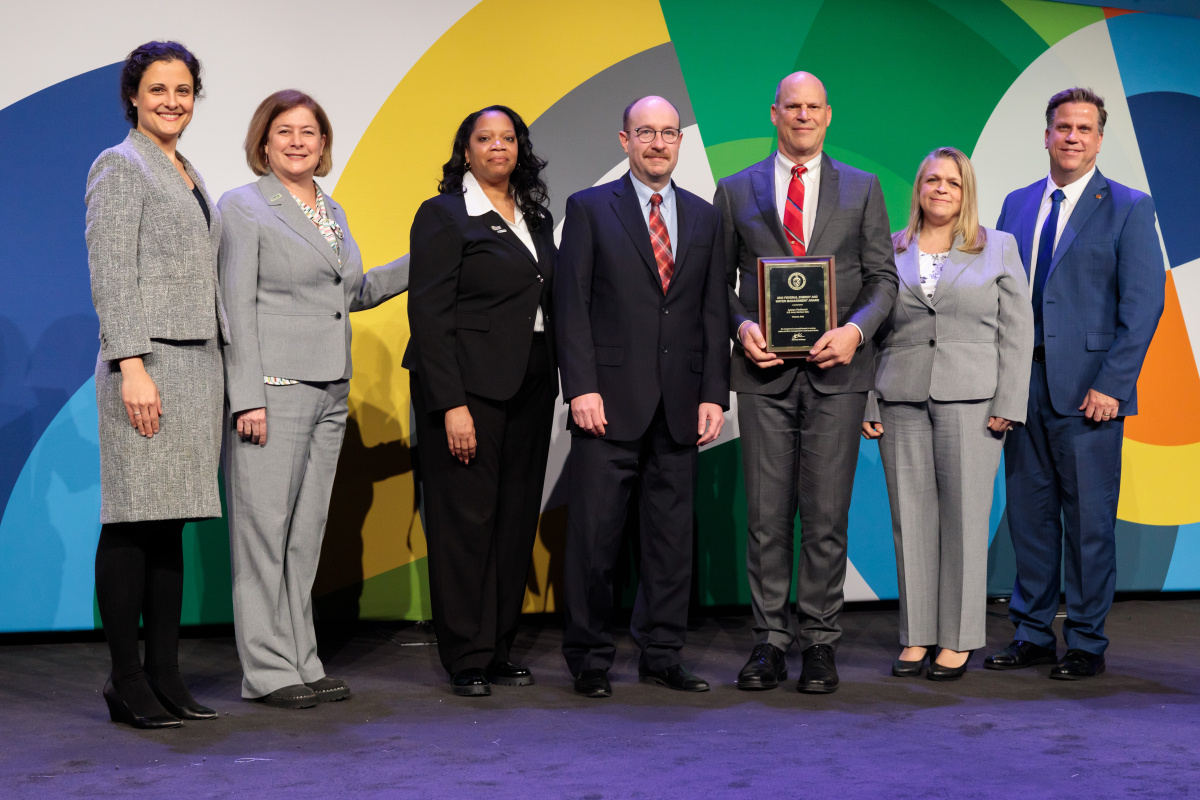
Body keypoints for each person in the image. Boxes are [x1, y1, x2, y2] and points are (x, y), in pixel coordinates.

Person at [219, 90, 409, 708]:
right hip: (272, 390)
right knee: (262, 535)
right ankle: (267, 672)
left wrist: (425, 258)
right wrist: (245, 396)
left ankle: (301, 659)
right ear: (264, 142)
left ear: (324, 144)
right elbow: (235, 308)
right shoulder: (243, 207)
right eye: (285, 131)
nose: (298, 141)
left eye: (310, 132)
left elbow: (348, 292)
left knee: (305, 536)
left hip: (330, 387)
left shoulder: (332, 210)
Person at [714, 72, 897, 693]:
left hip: (838, 373)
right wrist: (741, 328)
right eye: (792, 106)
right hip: (762, 374)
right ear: (774, 114)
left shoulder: (864, 188)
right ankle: (769, 641)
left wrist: (854, 332)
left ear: (828, 115)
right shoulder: (735, 190)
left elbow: (883, 280)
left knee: (825, 515)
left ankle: (820, 643)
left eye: (813, 107)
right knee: (767, 517)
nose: (802, 115)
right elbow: (715, 284)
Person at [985, 88, 1164, 679]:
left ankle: (1086, 640)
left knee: (1088, 522)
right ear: (1046, 134)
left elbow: (1143, 306)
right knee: (1029, 519)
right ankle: (1033, 632)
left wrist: (1113, 384)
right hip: (1021, 385)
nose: (1072, 137)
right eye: (1063, 126)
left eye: (1085, 129)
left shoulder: (1129, 207)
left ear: (1099, 139)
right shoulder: (1015, 204)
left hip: (1091, 392)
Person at [556, 95, 729, 698]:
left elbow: (712, 311)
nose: (658, 143)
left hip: (681, 406)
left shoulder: (706, 218)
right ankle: (590, 658)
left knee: (670, 542)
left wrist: (715, 394)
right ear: (624, 140)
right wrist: (581, 387)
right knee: (595, 542)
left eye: (669, 133)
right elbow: (570, 307)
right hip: (606, 404)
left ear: (680, 142)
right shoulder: (588, 209)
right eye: (645, 132)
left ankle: (663, 652)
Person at [85, 41, 225, 729]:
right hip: (148, 367)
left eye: (184, 89)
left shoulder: (187, 169)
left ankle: (166, 676)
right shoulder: (120, 164)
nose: (173, 100)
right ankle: (126, 679)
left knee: (168, 527)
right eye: (158, 89)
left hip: (196, 368)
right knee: (132, 522)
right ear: (133, 96)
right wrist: (132, 364)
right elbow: (113, 272)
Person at [860, 147, 1033, 681]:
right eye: (932, 180)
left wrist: (1009, 402)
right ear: (918, 189)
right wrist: (868, 399)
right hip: (901, 397)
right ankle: (917, 636)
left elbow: (1017, 331)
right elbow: (869, 330)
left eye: (952, 183)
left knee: (963, 521)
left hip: (974, 399)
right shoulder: (889, 249)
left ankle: (958, 639)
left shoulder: (998, 246)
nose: (940, 189)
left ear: (966, 191)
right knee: (909, 523)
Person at [403, 105, 557, 697]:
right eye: (485, 138)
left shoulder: (537, 217)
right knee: (465, 522)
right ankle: (466, 655)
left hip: (533, 386)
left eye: (508, 137)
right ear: (465, 151)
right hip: (468, 392)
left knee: (515, 519)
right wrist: (452, 405)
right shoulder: (443, 215)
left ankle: (498, 648)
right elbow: (430, 315)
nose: (499, 146)